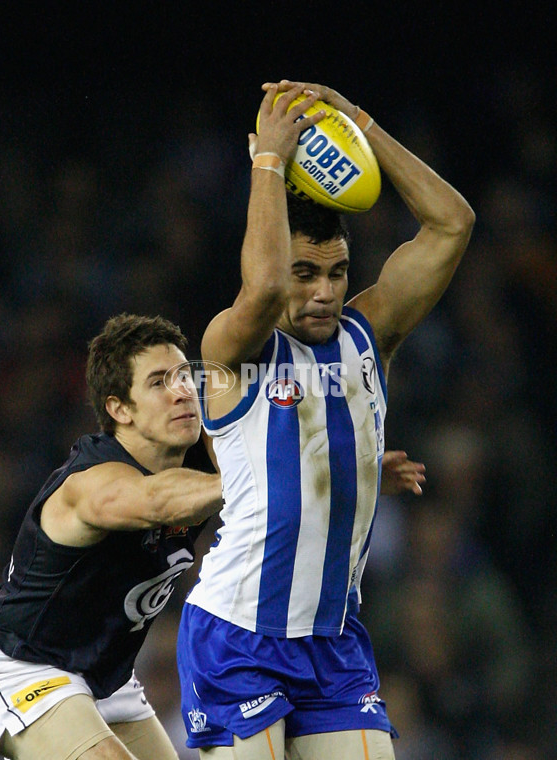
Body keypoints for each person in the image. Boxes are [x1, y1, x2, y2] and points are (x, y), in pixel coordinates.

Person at [176, 80, 475, 759]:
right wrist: (269, 163)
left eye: (336, 273)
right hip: (237, 637)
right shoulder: (234, 351)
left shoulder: (369, 335)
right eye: (306, 272)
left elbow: (452, 223)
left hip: (335, 640)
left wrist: (359, 124)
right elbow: (265, 289)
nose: (322, 292)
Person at [0, 313, 223, 760]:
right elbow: (156, 500)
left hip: (107, 677)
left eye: (183, 377)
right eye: (158, 383)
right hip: (21, 665)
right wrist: (257, 477)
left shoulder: (205, 456)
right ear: (120, 409)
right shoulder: (90, 482)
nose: (182, 392)